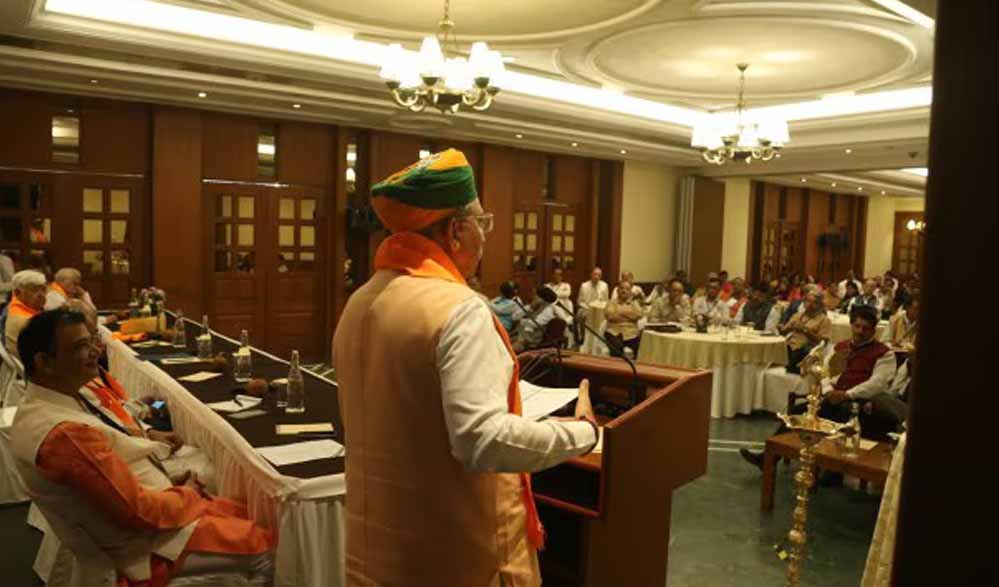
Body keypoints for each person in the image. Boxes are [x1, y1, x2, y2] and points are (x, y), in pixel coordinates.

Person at [332, 148, 599, 585]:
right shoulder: (458, 309)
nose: (486, 236)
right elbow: (482, 440)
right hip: (458, 558)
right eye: (483, 223)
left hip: (378, 552)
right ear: (457, 231)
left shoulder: (360, 302)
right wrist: (584, 433)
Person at [9, 309, 274, 586]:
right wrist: (187, 495)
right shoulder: (65, 435)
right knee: (272, 548)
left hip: (151, 511)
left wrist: (171, 484)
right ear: (44, 362)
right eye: (80, 347)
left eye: (92, 341)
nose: (95, 351)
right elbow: (140, 512)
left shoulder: (45, 404)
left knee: (244, 511)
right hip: (146, 547)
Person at [741, 305, 895, 469]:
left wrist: (847, 394)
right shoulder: (840, 347)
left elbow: (877, 383)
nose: (860, 331)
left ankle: (830, 471)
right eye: (857, 326)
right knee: (796, 414)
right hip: (831, 399)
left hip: (859, 405)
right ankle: (767, 460)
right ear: (851, 325)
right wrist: (828, 391)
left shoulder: (884, 353)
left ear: (873, 330)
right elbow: (824, 371)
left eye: (866, 328)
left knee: (840, 419)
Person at [780, 291, 831, 374]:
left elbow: (824, 342)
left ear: (820, 305)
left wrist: (805, 330)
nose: (810, 304)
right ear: (803, 302)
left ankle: (795, 366)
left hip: (806, 350)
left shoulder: (824, 320)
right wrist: (788, 328)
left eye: (814, 302)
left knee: (802, 351)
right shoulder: (797, 315)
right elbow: (783, 332)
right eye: (808, 301)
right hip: (789, 347)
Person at [513, 285, 571, 352]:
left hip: (533, 340)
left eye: (535, 295)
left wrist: (522, 321)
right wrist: (530, 308)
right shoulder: (534, 306)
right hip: (523, 335)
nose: (533, 297)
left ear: (541, 298)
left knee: (510, 349)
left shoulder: (549, 309)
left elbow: (535, 324)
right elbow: (514, 317)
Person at [5, 269, 48, 359]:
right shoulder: (24, 320)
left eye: (43, 289)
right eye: (34, 290)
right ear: (17, 293)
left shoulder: (11, 307)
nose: (41, 294)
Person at [604, 281, 643, 357]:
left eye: (627, 289)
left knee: (642, 346)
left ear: (630, 292)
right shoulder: (611, 302)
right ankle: (617, 364)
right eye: (621, 288)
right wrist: (629, 316)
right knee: (616, 347)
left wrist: (620, 312)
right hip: (614, 332)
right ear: (617, 290)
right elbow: (610, 316)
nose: (624, 291)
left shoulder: (634, 303)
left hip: (631, 334)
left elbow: (639, 315)